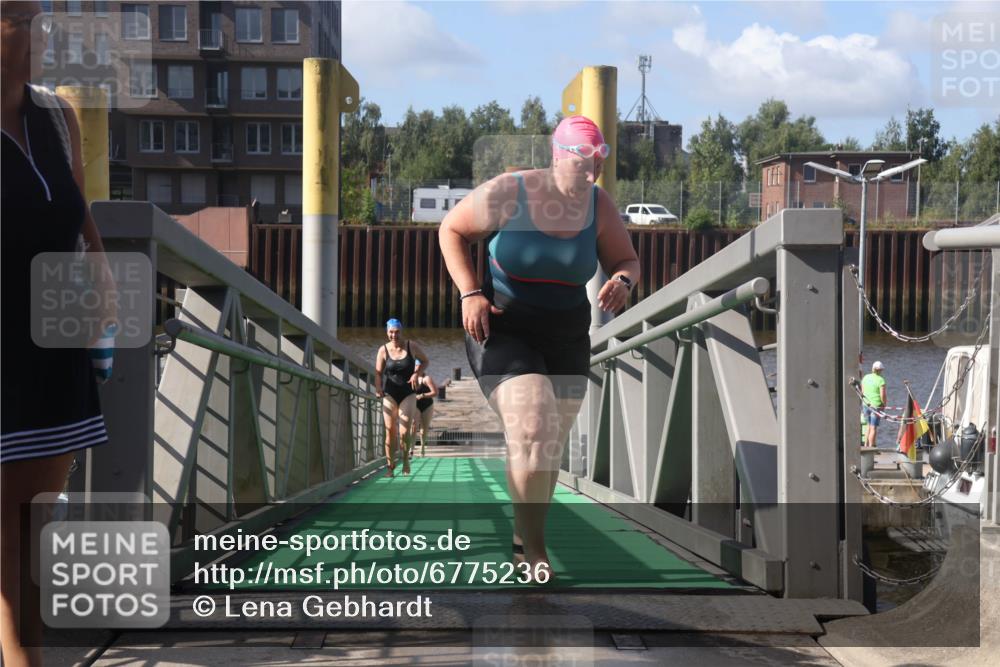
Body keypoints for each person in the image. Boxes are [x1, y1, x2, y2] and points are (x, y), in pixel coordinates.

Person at [439, 115, 640, 581]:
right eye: (579, 166)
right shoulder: (513, 192)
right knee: (532, 427)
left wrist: (623, 280)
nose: (586, 177)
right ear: (556, 157)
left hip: (567, 335)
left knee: (546, 445)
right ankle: (534, 550)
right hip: (504, 328)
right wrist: (470, 292)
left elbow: (626, 259)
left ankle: (523, 532)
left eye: (594, 167)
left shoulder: (598, 204)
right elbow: (451, 230)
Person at [1, 3, 116, 664]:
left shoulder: (55, 115)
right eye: (23, 19)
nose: (43, 33)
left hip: (53, 350)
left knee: (31, 545)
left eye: (41, 18)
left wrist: (99, 266)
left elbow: (77, 207)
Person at [374, 319, 428, 477]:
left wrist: (416, 373)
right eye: (391, 332)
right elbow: (378, 373)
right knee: (390, 431)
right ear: (387, 332)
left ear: (401, 331)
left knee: (404, 433)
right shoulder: (383, 350)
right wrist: (378, 387)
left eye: (397, 331)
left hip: (408, 393)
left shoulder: (412, 346)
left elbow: (425, 361)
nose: (394, 335)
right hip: (389, 394)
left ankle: (405, 459)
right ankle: (390, 467)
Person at [861, 361, 887, 448]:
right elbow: (882, 395)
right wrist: (884, 405)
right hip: (876, 406)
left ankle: (865, 445)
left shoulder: (865, 377)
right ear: (880, 370)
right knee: (873, 427)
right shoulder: (881, 380)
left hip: (865, 404)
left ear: (872, 369)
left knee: (868, 425)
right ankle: (871, 447)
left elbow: (863, 392)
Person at [413, 371, 439, 457]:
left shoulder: (426, 378)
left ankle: (422, 448)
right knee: (413, 426)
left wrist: (422, 395)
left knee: (424, 428)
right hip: (415, 405)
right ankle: (411, 449)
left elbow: (435, 392)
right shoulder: (411, 378)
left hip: (427, 405)